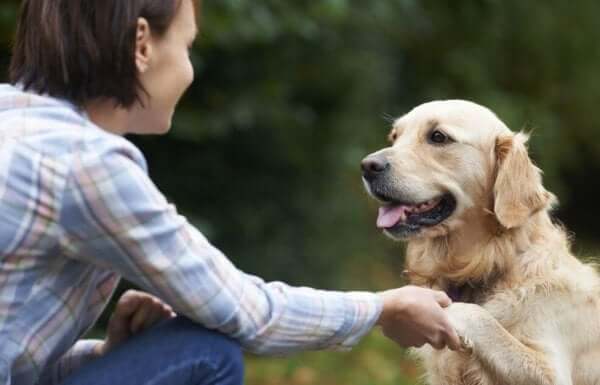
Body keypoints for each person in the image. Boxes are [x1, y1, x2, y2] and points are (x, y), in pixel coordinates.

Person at [0, 0, 461, 384]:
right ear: (142, 43)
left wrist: (107, 355)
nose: (189, 71)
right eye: (186, 46)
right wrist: (381, 308)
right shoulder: (87, 163)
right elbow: (247, 313)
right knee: (204, 351)